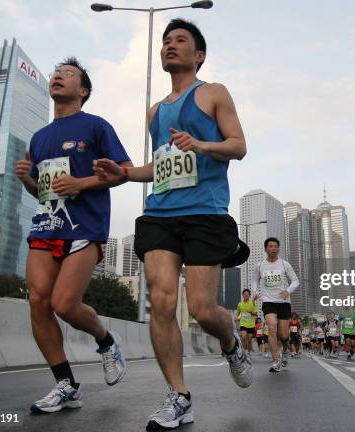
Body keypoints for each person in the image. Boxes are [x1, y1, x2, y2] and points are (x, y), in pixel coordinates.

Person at [93, 19, 251, 431]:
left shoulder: (214, 93)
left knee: (201, 308)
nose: (170, 46)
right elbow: (161, 167)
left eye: (180, 40)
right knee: (162, 303)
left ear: (198, 55)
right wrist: (124, 173)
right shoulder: (154, 112)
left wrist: (201, 144)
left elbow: (238, 146)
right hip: (161, 214)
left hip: (205, 213)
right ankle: (179, 397)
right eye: (165, 42)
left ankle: (230, 341)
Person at [15, 57, 133, 414]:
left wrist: (81, 182)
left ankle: (106, 340)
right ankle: (65, 384)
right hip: (48, 225)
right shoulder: (39, 137)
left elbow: (125, 172)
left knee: (63, 304)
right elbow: (45, 193)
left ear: (82, 91)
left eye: (67, 75)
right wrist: (27, 180)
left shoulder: (96, 127)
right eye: (56, 73)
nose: (57, 77)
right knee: (38, 300)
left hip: (86, 226)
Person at [251, 237, 299, 372]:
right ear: (266, 249)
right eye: (270, 246)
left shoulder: (284, 264)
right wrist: (255, 292)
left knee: (284, 335)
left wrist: (287, 290)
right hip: (268, 301)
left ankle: (284, 351)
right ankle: (275, 360)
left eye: (275, 246)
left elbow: (295, 281)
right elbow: (255, 280)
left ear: (278, 249)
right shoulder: (260, 266)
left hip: (283, 302)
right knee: (272, 328)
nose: (273, 249)